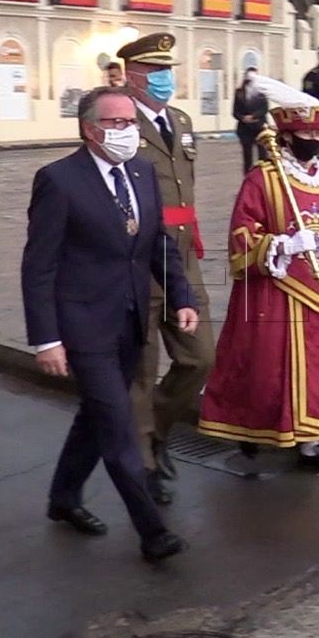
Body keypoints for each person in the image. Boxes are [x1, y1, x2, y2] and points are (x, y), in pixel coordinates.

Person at [22, 86, 198, 563]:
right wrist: (46, 339)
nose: (127, 132)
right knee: (118, 426)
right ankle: (152, 532)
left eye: (130, 123)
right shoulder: (59, 180)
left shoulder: (141, 172)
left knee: (95, 416)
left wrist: (180, 296)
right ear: (89, 129)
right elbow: (39, 266)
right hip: (82, 325)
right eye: (116, 123)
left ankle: (64, 496)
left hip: (130, 319)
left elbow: (159, 241)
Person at [198, 80, 319, 472]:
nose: (313, 139)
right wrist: (281, 244)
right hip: (279, 290)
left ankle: (311, 445)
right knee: (269, 369)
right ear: (286, 136)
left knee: (317, 369)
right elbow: (240, 237)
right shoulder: (263, 179)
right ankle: (253, 433)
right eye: (306, 132)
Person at [116, 32, 216, 507]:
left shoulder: (181, 120)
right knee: (141, 366)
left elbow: (185, 186)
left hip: (182, 259)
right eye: (154, 71)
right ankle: (146, 464)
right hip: (137, 258)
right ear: (131, 74)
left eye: (167, 70)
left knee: (200, 356)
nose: (164, 79)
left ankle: (154, 430)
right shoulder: (119, 121)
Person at [233, 67, 270, 173]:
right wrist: (243, 118)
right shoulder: (239, 92)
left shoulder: (261, 92)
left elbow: (265, 108)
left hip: (260, 127)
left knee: (263, 155)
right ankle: (248, 178)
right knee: (247, 156)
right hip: (245, 129)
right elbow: (235, 112)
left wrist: (253, 116)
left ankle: (263, 176)